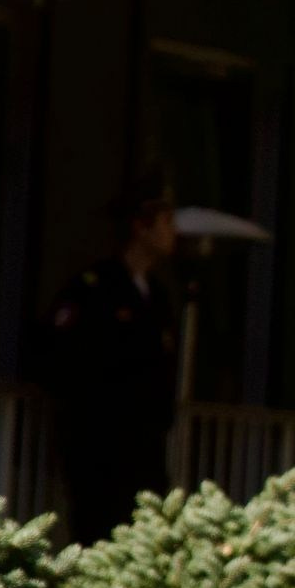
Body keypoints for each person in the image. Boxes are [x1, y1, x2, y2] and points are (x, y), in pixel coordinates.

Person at [30, 169, 180, 543]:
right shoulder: (94, 289)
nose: (172, 232)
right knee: (98, 536)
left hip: (144, 450)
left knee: (145, 540)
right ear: (141, 225)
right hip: (99, 447)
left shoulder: (158, 297)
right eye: (165, 221)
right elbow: (61, 360)